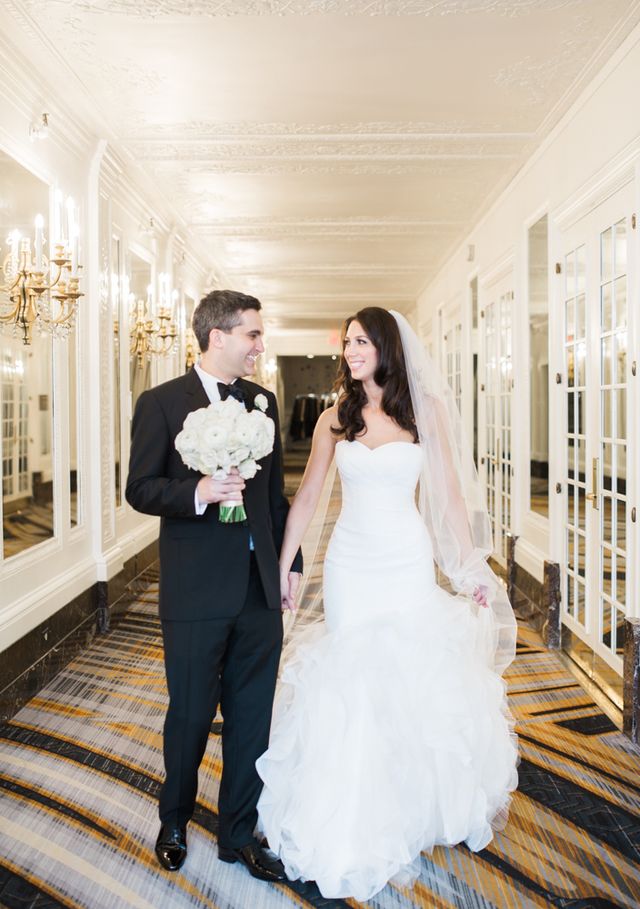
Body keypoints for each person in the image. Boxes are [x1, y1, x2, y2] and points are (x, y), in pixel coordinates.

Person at [256, 307, 518, 901]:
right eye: (347, 342)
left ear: (389, 349)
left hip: (403, 557)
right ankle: (354, 802)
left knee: (407, 671)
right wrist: (283, 564)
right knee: (355, 672)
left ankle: (413, 803)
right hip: (351, 561)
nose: (351, 350)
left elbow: (449, 497)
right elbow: (309, 497)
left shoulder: (427, 414)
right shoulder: (334, 418)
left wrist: (468, 566)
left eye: (362, 341)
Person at [125, 289, 302, 882]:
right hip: (195, 590)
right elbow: (140, 488)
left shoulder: (263, 402)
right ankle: (174, 818)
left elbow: (274, 497)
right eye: (252, 334)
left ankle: (237, 833)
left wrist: (290, 564)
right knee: (192, 713)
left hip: (257, 589)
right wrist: (197, 494)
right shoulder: (161, 403)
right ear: (217, 336)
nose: (260, 346)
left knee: (253, 716)